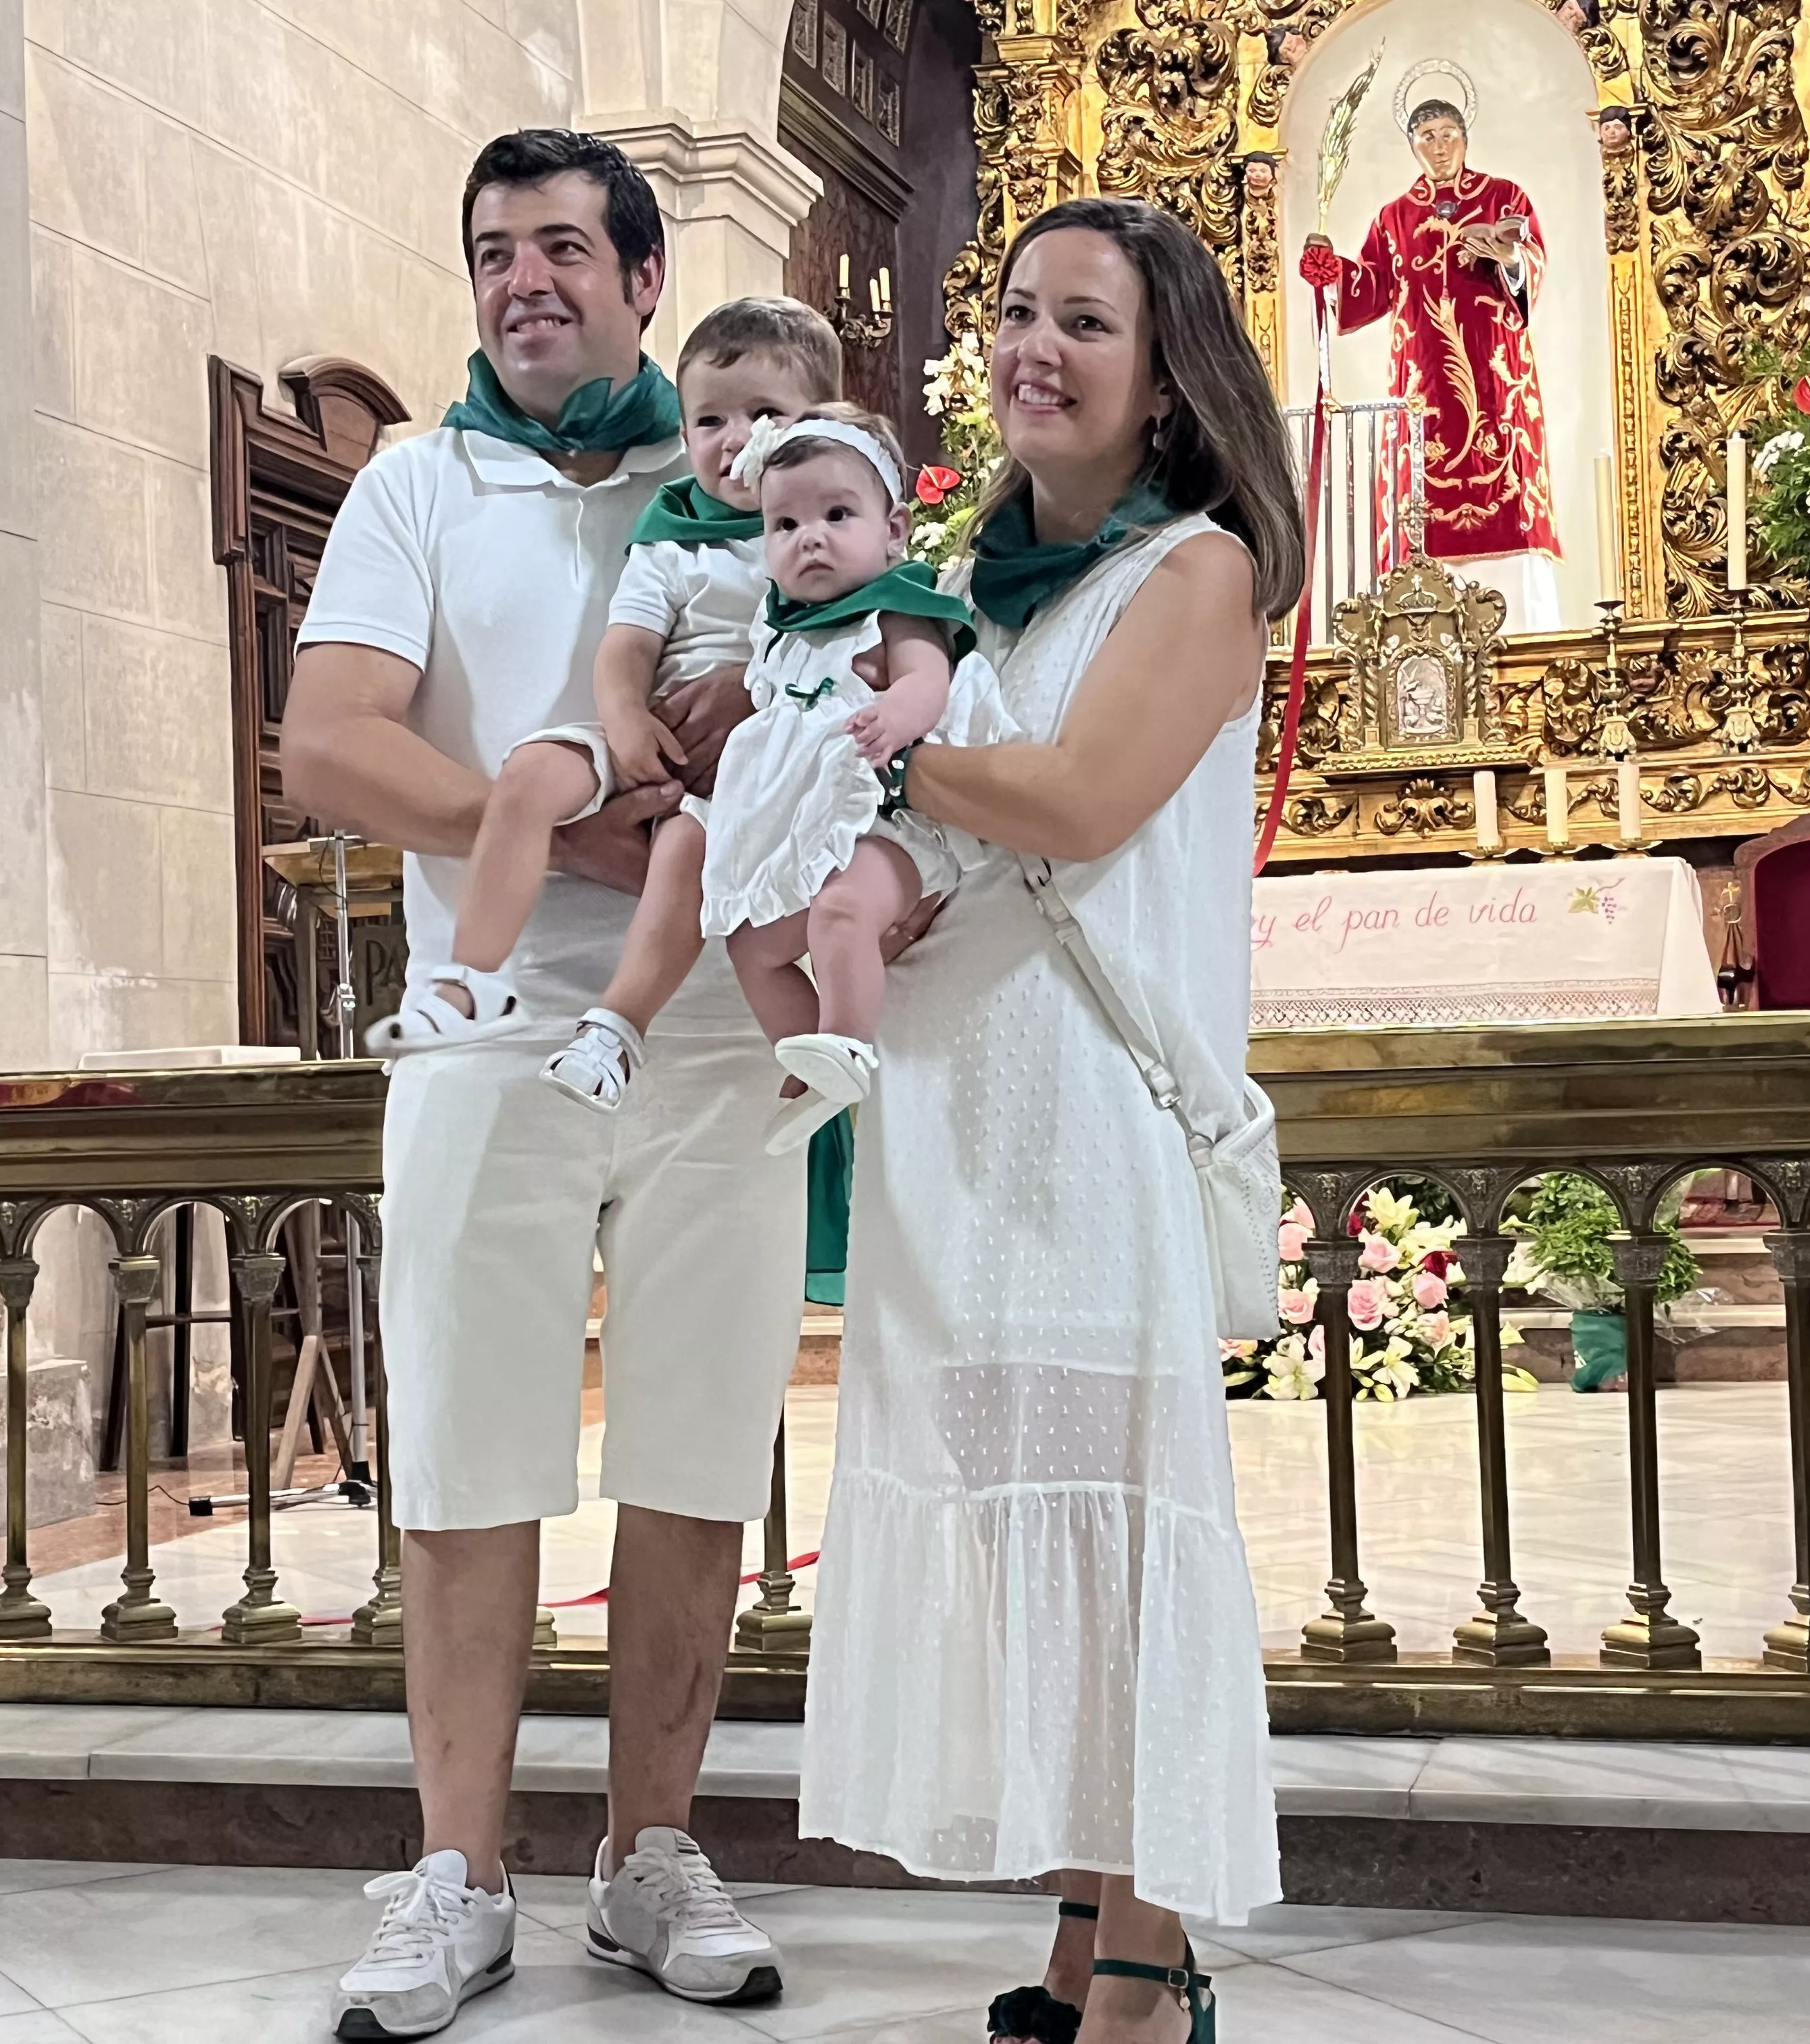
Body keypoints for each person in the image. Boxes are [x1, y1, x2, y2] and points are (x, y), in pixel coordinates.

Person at [283, 129, 799, 2040]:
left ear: (644, 279)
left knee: (692, 1451)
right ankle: (456, 1875)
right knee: (474, 1457)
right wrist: (567, 841)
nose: (527, 282)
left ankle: (647, 1855)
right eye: (496, 251)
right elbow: (329, 741)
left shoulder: (739, 469)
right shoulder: (418, 481)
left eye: (568, 249)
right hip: (489, 1028)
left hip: (713, 1035)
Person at [796, 197, 1306, 2044]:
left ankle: (1159, 1961)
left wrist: (856, 747)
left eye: (1083, 322)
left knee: (1123, 1511)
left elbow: (1084, 804)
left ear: (1167, 381)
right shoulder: (965, 579)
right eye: (1014, 313)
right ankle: (1094, 1916)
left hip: (1085, 1109)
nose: (1033, 347)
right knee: (1028, 1538)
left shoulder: (1197, 572)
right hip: (963, 1104)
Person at [375, 296, 842, 1064]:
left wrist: (760, 691)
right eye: (710, 422)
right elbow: (627, 645)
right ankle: (466, 984)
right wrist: (623, 720)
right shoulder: (671, 535)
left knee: (692, 862)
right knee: (528, 778)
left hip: (768, 766)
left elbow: (857, 648)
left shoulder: (824, 534)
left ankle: (774, 1043)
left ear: (822, 424)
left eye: (765, 415)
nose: (735, 441)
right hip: (652, 732)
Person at [547, 401, 1004, 1149]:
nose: (810, 538)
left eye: (836, 514)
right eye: (785, 526)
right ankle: (812, 1071)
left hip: (884, 824)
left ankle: (850, 1043)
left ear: (892, 530)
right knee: (752, 947)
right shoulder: (780, 630)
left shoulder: (896, 611)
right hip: (806, 825)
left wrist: (896, 711)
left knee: (840, 913)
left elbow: (931, 684)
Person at [1316, 89, 1561, 629]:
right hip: (1420, 395)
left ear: (1465, 138)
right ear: (1413, 147)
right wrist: (1330, 271)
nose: (1440, 146)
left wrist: (1509, 257)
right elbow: (1371, 288)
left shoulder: (1504, 197)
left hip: (1498, 389)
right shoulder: (1395, 217)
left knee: (1506, 495)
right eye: (1427, 137)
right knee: (1419, 514)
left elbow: (1530, 272)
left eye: (1449, 134)